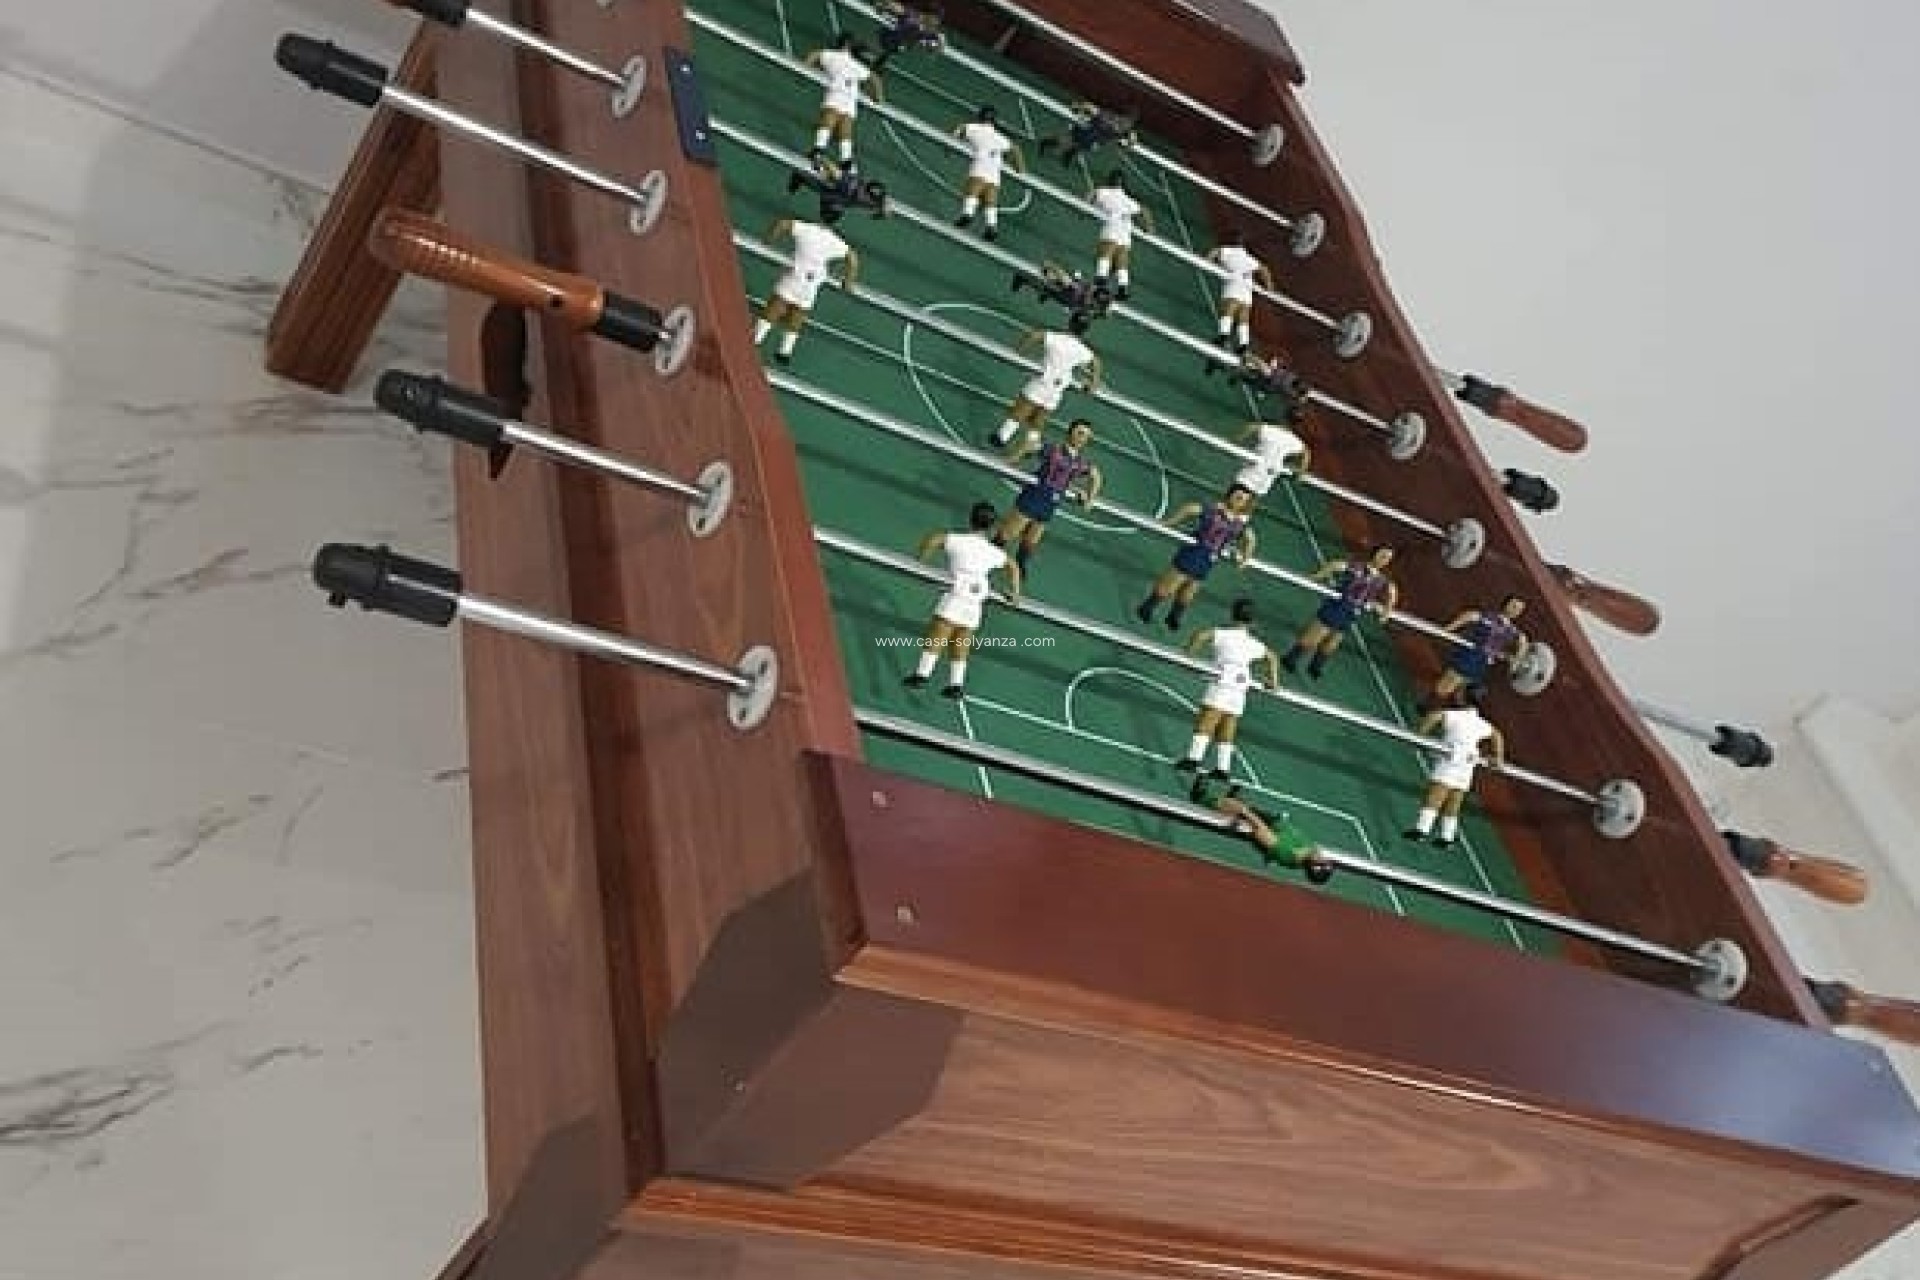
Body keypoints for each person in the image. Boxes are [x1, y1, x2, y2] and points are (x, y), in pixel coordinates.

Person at [904, 500, 1023, 699]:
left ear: (971, 519)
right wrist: (1016, 592)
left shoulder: (957, 540)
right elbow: (1013, 566)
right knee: (962, 640)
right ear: (991, 526)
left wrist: (921, 561)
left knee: (938, 635)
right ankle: (956, 685)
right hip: (976, 598)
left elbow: (933, 539)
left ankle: (921, 675)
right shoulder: (993, 552)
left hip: (957, 592)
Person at [1175, 596, 1279, 781]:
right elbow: (1272, 658)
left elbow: (1200, 635)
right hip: (1240, 686)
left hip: (1223, 681)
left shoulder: (1223, 634)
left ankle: (1193, 760)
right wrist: (1273, 681)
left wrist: (1189, 654)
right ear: (1252, 622)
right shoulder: (1254, 644)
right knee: (1228, 724)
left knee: (1207, 720)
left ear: (1232, 615)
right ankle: (1223, 769)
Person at [1135, 484, 1257, 631]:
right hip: (1193, 552)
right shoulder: (1214, 510)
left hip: (1209, 560)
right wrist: (1170, 522)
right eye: (1238, 497)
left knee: (1189, 592)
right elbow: (1191, 508)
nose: (1240, 502)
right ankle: (1147, 608)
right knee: (1169, 586)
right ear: (1229, 496)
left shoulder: (1238, 524)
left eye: (1243, 500)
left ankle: (1174, 616)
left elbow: (1250, 539)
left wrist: (1245, 559)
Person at [993, 418, 1102, 576]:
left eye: (1086, 436)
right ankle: (984, 559)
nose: (1082, 438)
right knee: (1007, 534)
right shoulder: (1054, 450)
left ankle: (1018, 568)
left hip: (1049, 506)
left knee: (1030, 542)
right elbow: (1030, 446)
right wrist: (1012, 460)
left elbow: (1096, 475)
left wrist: (1089, 498)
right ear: (1070, 432)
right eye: (1080, 433)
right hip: (1033, 497)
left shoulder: (1079, 462)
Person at [1405, 687, 1505, 849]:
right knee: (1455, 801)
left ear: (1462, 698)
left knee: (1435, 796)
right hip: (1467, 765)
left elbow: (1434, 716)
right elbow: (1497, 735)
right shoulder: (1481, 724)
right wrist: (1498, 757)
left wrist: (1420, 734)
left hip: (1451, 760)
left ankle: (1421, 830)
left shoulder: (1453, 715)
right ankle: (1447, 838)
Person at [1279, 545, 1399, 678]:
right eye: (1383, 555)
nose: (1384, 560)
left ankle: (1316, 665)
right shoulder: (1358, 567)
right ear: (1375, 554)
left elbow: (1392, 592)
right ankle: (1290, 658)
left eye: (1388, 558)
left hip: (1351, 613)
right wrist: (1317, 576)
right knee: (1315, 636)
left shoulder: (1381, 580)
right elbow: (1335, 565)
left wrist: (1386, 613)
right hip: (1337, 606)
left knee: (1332, 642)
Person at [751, 212, 858, 363]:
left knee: (774, 309)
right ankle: (784, 352)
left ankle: (755, 339)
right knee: (797, 318)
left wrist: (769, 239)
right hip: (811, 284)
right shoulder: (836, 242)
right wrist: (848, 281)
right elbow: (852, 258)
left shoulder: (806, 229)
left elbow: (782, 224)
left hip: (795, 277)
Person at [988, 326, 1101, 448]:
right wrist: (1094, 382)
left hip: (1041, 383)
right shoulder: (1082, 350)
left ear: (1069, 324)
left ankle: (1001, 439)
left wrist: (1020, 350)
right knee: (1038, 422)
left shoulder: (1057, 338)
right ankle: (1030, 448)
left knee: (1019, 413)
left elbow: (1035, 335)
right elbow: (1096, 362)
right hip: (1057, 390)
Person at [1426, 595, 1530, 711]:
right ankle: (1427, 707)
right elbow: (1469, 616)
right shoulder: (1489, 617)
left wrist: (1516, 662)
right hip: (1469, 657)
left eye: (1519, 609)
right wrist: (1447, 629)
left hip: (1482, 665)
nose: (1515, 610)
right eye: (1514, 606)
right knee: (1446, 686)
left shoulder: (1513, 631)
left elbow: (1522, 643)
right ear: (1506, 604)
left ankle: (1446, 713)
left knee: (1464, 694)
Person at [1208, 785, 1333, 881]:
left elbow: (1261, 830)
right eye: (1325, 860)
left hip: (1264, 830)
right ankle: (1231, 801)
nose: (1323, 857)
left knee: (1237, 809)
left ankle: (1204, 798)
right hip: (1278, 825)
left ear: (1312, 864)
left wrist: (1244, 812)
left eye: (1322, 861)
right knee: (1245, 808)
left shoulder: (1286, 853)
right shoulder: (1312, 851)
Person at [803, 32, 882, 164]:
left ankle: (819, 149)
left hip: (837, 92)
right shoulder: (854, 64)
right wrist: (877, 97)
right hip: (850, 98)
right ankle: (845, 159)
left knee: (829, 117)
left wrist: (805, 68)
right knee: (846, 128)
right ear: (847, 44)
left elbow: (815, 54)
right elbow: (875, 79)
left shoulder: (832, 56)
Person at [952, 104, 1023, 241]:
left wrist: (952, 142)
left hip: (980, 167)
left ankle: (967, 214)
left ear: (979, 116)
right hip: (994, 173)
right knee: (991, 200)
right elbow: (1016, 149)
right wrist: (1019, 169)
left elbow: (961, 128)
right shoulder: (1000, 137)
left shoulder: (974, 128)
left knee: (972, 191)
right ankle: (991, 226)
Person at [1086, 169, 1152, 300]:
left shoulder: (1103, 191)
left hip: (1111, 228)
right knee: (1122, 260)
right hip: (1125, 233)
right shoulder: (1128, 199)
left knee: (1105, 254)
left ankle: (1100, 284)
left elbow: (1091, 196)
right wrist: (1148, 227)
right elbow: (1144, 210)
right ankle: (1123, 288)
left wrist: (1087, 206)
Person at [1204, 231, 1273, 354]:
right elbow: (1264, 269)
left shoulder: (1228, 251)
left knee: (1228, 311)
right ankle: (1243, 345)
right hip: (1246, 291)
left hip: (1233, 287)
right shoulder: (1249, 258)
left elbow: (1214, 252)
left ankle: (1223, 336)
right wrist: (1269, 286)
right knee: (1243, 318)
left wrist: (1207, 263)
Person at [1228, 412, 1310, 504]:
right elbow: (1306, 452)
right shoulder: (1295, 442)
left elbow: (1252, 427)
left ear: (1284, 418)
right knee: (1250, 502)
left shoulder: (1271, 430)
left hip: (1251, 471)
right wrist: (1301, 471)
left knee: (1232, 498)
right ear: (1297, 425)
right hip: (1267, 477)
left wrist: (1237, 440)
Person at [1009, 261, 1114, 331]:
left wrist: (1097, 313)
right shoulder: (1075, 287)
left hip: (1071, 297)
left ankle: (1041, 285)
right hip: (1071, 292)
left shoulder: (1100, 305)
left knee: (1051, 290)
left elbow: (1103, 313)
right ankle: (1023, 278)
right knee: (1051, 287)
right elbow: (1064, 276)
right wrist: (1051, 265)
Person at [1207, 349, 1310, 418]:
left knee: (1243, 376)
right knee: (1244, 372)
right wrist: (1249, 356)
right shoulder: (1289, 383)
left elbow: (1298, 397)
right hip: (1264, 379)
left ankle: (1221, 367)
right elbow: (1264, 367)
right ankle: (1221, 365)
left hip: (1265, 384)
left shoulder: (1293, 386)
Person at [785, 154, 888, 221]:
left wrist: (880, 213)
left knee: (828, 195)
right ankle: (802, 176)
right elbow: (833, 169)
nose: (872, 201)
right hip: (837, 189)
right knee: (826, 186)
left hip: (841, 197)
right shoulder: (848, 184)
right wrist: (820, 160)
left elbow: (882, 210)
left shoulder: (873, 201)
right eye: (871, 198)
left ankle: (803, 178)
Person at [1037, 101, 1139, 168]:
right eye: (1129, 118)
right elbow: (1090, 107)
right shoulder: (1108, 115)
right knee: (1066, 140)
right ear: (1124, 115)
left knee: (1082, 147)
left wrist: (1127, 145)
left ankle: (1068, 155)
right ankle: (1046, 143)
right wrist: (1079, 108)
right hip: (1086, 131)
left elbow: (1132, 139)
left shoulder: (1127, 130)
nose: (1129, 123)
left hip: (1096, 140)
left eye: (1132, 121)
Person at [869, 0, 946, 71]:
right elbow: (896, 7)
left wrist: (938, 42)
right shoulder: (911, 15)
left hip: (890, 50)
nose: (937, 22)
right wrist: (883, 5)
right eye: (937, 19)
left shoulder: (929, 31)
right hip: (880, 39)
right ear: (930, 15)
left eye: (939, 20)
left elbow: (940, 43)